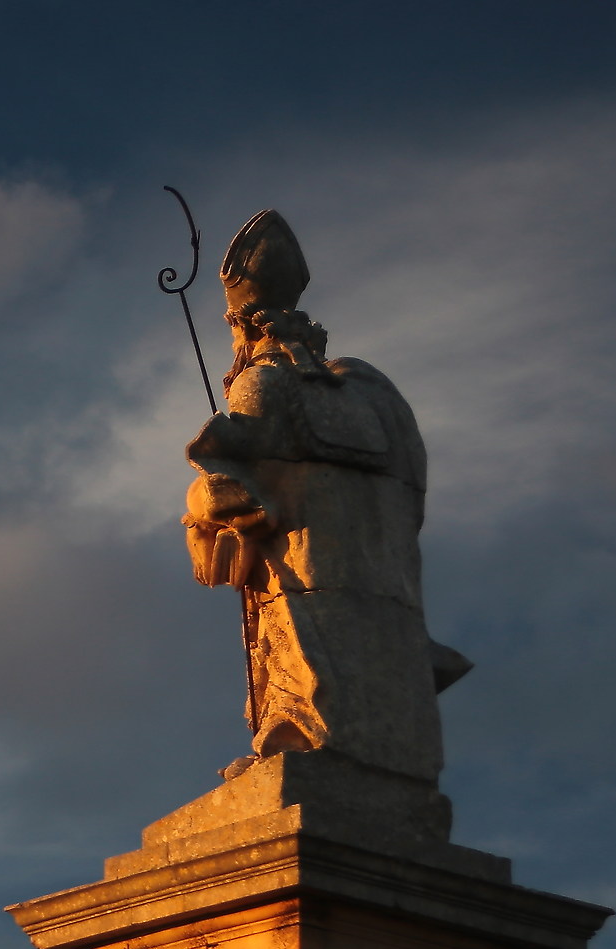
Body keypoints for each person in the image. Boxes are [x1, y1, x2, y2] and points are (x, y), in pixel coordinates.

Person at [181, 209, 470, 783]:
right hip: (382, 576)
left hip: (307, 576)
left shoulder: (261, 383)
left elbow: (238, 495)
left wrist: (202, 504)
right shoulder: (372, 389)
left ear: (242, 327)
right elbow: (410, 497)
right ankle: (370, 750)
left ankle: (304, 740)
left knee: (309, 657)